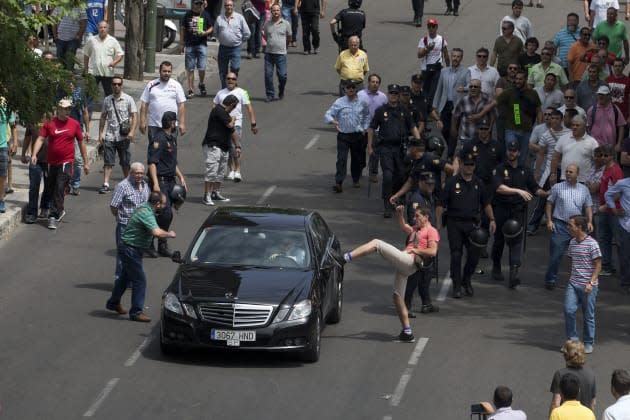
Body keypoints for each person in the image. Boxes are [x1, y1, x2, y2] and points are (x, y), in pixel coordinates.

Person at [342, 205, 439, 342]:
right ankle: (407, 332)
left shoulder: (431, 231)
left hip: (410, 260)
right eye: (414, 216)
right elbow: (403, 225)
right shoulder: (416, 229)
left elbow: (433, 251)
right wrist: (399, 213)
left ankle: (345, 258)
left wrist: (417, 251)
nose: (414, 218)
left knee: (377, 243)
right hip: (405, 263)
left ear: (426, 217)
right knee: (397, 296)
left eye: (417, 216)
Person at [106, 191, 176, 322]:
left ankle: (113, 303)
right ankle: (136, 312)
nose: (165, 206)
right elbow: (156, 232)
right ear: (157, 204)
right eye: (164, 204)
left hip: (130, 248)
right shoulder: (146, 213)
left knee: (124, 278)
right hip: (130, 249)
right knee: (140, 280)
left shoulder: (144, 206)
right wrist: (169, 234)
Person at [439, 149, 496, 298]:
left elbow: (486, 204)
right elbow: (440, 205)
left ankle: (466, 279)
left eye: (472, 164)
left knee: (474, 255)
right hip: (454, 224)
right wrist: (438, 224)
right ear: (461, 164)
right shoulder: (451, 183)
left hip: (472, 225)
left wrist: (492, 219)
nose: (469, 167)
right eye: (466, 164)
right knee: (456, 255)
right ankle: (456, 285)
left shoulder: (479, 183)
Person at [491, 140, 547, 288]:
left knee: (516, 241)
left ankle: (514, 274)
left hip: (517, 211)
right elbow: (498, 188)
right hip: (501, 209)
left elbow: (535, 189)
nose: (512, 153)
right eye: (510, 150)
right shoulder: (500, 169)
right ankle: (496, 266)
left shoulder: (525, 170)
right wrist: (518, 190)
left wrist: (548, 192)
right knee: (499, 241)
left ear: (519, 153)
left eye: (514, 150)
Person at [30, 99, 90, 230]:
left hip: (67, 162)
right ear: (59, 109)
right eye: (66, 108)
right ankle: (60, 210)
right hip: (52, 163)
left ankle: (52, 216)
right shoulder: (50, 124)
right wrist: (34, 154)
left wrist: (86, 163)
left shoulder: (74, 124)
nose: (68, 111)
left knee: (59, 186)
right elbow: (40, 139)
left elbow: (81, 143)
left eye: (70, 108)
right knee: (51, 188)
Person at [367, 84, 420, 217]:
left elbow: (413, 127)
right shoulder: (381, 110)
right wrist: (369, 146)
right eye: (392, 93)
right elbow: (372, 128)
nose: (394, 96)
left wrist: (419, 143)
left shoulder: (404, 111)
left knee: (401, 175)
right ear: (388, 94)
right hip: (386, 148)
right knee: (388, 176)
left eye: (396, 94)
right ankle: (387, 203)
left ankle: (398, 199)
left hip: (401, 148)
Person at [544, 164, 594, 290]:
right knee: (556, 255)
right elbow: (549, 203)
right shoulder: (557, 187)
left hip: (578, 227)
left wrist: (590, 222)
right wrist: (549, 220)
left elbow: (588, 206)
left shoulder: (584, 189)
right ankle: (550, 279)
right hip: (561, 225)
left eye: (571, 172)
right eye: (566, 171)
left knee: (580, 256)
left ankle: (578, 281)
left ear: (577, 174)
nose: (568, 174)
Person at [147, 111, 187, 257]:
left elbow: (172, 162)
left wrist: (181, 176)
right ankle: (149, 242)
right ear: (171, 123)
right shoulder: (159, 139)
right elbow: (152, 163)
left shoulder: (172, 138)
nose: (175, 124)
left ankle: (162, 244)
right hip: (161, 181)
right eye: (174, 121)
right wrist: (156, 185)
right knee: (162, 212)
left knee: (167, 214)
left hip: (171, 181)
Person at [528, 109, 571, 234]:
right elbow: (540, 154)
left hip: (565, 169)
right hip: (550, 169)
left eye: (557, 118)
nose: (555, 121)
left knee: (566, 198)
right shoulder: (546, 135)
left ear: (561, 120)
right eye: (553, 118)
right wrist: (536, 172)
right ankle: (532, 225)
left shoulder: (568, 133)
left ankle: (567, 225)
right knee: (543, 198)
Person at [564, 214, 602, 353]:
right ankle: (572, 342)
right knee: (568, 310)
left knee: (588, 315)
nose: (568, 227)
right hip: (573, 284)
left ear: (579, 227)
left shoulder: (592, 244)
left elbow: (598, 265)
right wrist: (571, 276)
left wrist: (591, 282)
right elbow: (570, 260)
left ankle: (588, 342)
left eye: (570, 225)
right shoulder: (572, 242)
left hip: (588, 286)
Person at [404, 172, 440, 316]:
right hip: (419, 242)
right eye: (428, 183)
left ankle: (426, 303)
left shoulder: (428, 196)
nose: (431, 186)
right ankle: (405, 306)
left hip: (427, 240)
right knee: (414, 277)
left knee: (426, 275)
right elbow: (416, 224)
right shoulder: (417, 199)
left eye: (432, 183)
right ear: (420, 183)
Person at [325, 80, 370, 194]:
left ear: (356, 89)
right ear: (344, 89)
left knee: (357, 159)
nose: (350, 89)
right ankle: (339, 182)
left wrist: (365, 128)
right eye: (348, 87)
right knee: (341, 159)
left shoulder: (362, 102)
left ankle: (355, 179)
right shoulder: (339, 102)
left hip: (357, 135)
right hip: (343, 136)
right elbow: (328, 114)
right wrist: (333, 121)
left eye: (353, 87)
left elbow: (367, 116)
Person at [212, 72, 258, 181]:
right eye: (228, 78)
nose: (230, 81)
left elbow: (249, 108)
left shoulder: (242, 92)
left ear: (236, 80)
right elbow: (214, 107)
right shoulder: (220, 93)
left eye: (233, 79)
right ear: (225, 80)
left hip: (236, 125)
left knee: (235, 147)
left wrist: (253, 124)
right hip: (223, 125)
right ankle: (231, 169)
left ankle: (238, 170)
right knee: (226, 148)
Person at [110, 162, 149, 281]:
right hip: (125, 226)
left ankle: (133, 280)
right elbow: (114, 206)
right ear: (131, 173)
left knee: (137, 255)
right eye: (137, 173)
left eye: (142, 173)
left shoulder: (145, 184)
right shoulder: (122, 186)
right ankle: (119, 281)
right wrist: (120, 217)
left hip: (141, 227)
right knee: (123, 256)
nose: (140, 176)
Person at [98, 76, 137, 194]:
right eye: (114, 84)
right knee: (108, 161)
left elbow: (134, 116)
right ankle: (105, 183)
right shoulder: (107, 100)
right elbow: (103, 117)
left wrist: (132, 132)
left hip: (123, 136)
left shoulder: (128, 99)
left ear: (122, 85)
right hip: (110, 135)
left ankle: (127, 183)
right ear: (111, 85)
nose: (116, 86)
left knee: (125, 161)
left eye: (119, 84)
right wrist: (101, 133)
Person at [495, 70, 542, 165]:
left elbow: (539, 110)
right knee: (511, 152)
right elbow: (494, 103)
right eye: (516, 79)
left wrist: (539, 125)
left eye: (520, 79)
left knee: (522, 158)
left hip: (526, 131)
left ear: (525, 80)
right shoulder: (509, 92)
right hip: (511, 130)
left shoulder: (533, 93)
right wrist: (480, 114)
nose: (518, 81)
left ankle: (519, 176)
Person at [202, 94, 239, 206]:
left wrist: (238, 146)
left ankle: (215, 193)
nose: (234, 109)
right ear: (232, 105)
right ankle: (206, 195)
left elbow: (232, 131)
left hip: (224, 146)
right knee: (212, 170)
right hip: (213, 145)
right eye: (235, 107)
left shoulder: (225, 114)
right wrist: (233, 119)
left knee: (221, 172)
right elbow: (230, 125)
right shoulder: (218, 110)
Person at [139, 61, 187, 142]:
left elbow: (181, 105)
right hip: (154, 125)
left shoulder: (176, 85)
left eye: (169, 71)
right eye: (164, 71)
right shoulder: (151, 85)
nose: (166, 73)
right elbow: (144, 104)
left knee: (170, 152)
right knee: (154, 152)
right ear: (160, 71)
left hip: (171, 126)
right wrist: (142, 122)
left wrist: (182, 123)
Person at [432, 48, 467, 158]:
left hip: (457, 105)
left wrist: (464, 89)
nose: (455, 58)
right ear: (451, 57)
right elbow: (439, 89)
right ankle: (452, 145)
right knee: (444, 128)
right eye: (454, 56)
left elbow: (470, 86)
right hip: (445, 104)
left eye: (458, 56)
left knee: (453, 130)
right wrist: (435, 105)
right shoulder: (444, 71)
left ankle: (450, 155)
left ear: (461, 58)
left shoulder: (466, 71)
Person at [595, 144, 623, 277]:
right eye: (601, 155)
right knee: (603, 238)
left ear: (612, 156)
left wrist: (606, 206)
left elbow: (618, 193)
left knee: (619, 240)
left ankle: (624, 268)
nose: (603, 157)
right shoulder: (605, 169)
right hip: (605, 210)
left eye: (606, 155)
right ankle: (607, 266)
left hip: (614, 211)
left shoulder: (616, 171)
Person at [550, 340, 597, 412]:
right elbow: (592, 403)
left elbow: (555, 404)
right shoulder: (590, 374)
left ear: (566, 355)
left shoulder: (560, 374)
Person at [21, 115, 51, 223]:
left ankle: (45, 207)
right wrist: (23, 154)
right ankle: (32, 213)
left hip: (50, 159)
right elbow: (27, 137)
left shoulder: (53, 118)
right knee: (33, 186)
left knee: (48, 185)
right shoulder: (32, 119)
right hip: (35, 159)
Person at [213, 0, 251, 88]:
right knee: (223, 71)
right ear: (224, 7)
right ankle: (224, 88)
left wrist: (241, 41)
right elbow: (215, 32)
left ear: (233, 6)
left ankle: (232, 83)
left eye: (230, 5)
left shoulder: (240, 18)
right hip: (223, 48)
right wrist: (223, 38)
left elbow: (247, 33)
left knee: (235, 67)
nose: (229, 7)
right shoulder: (219, 18)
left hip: (236, 48)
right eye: (227, 5)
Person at [180, 0, 213, 98]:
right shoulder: (187, 15)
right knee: (190, 68)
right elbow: (182, 29)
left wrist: (205, 33)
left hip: (202, 44)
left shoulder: (205, 15)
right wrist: (181, 43)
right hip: (190, 45)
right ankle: (190, 89)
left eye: (200, 4)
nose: (198, 5)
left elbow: (212, 27)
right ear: (193, 4)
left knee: (202, 67)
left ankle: (201, 83)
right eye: (196, 3)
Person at [358, 74, 387, 182]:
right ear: (368, 83)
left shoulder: (383, 97)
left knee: (374, 152)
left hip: (376, 129)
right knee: (360, 151)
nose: (375, 84)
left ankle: (373, 173)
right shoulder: (360, 95)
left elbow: (385, 112)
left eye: (377, 82)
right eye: (373, 82)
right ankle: (358, 170)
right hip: (362, 129)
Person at [603, 175, 630, 293]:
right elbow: (608, 195)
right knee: (625, 255)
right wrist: (614, 209)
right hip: (625, 223)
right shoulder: (622, 183)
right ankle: (626, 283)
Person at [82, 21, 123, 97]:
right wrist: (86, 69)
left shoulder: (112, 41)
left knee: (109, 95)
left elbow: (120, 54)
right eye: (101, 27)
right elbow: (86, 55)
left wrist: (114, 62)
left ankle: (108, 109)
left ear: (107, 29)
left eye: (104, 27)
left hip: (107, 72)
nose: (102, 29)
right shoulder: (92, 40)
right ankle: (87, 108)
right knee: (90, 94)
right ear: (98, 28)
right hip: (94, 72)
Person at [452, 79, 494, 152]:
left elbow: (493, 115)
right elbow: (455, 115)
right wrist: (454, 129)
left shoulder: (487, 99)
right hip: (466, 137)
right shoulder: (463, 100)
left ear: (480, 89)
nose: (473, 88)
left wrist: (490, 128)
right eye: (471, 86)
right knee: (466, 160)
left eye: (475, 87)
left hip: (483, 138)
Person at [417, 18, 449, 106]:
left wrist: (448, 69)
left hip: (438, 69)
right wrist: (427, 48)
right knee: (425, 90)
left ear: (436, 27)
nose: (431, 28)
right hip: (426, 70)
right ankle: (425, 109)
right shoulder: (423, 40)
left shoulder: (441, 40)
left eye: (433, 26)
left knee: (434, 90)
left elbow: (446, 55)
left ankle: (432, 109)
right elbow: (419, 55)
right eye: (429, 26)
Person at [263, 3, 291, 102]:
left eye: (277, 10)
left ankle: (281, 89)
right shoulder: (267, 23)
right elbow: (265, 35)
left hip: (281, 54)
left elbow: (289, 37)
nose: (276, 12)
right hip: (269, 54)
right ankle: (270, 94)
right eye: (274, 10)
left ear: (280, 11)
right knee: (268, 75)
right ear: (271, 12)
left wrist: (284, 46)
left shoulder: (286, 24)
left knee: (282, 75)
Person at [0, 97, 17, 214]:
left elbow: (13, 125)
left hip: (2, 146)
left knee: (2, 176)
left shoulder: (5, 103)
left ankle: (1, 200)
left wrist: (15, 142)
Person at [554, 13, 581, 78]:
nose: (571, 22)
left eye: (573, 20)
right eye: (569, 20)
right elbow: (554, 47)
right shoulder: (560, 33)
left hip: (577, 66)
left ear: (577, 22)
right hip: (563, 66)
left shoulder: (582, 33)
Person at [606, 58, 630, 129]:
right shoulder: (607, 80)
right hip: (609, 116)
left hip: (623, 116)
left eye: (619, 66)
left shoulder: (628, 81)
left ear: (623, 67)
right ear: (613, 67)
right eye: (615, 66)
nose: (617, 68)